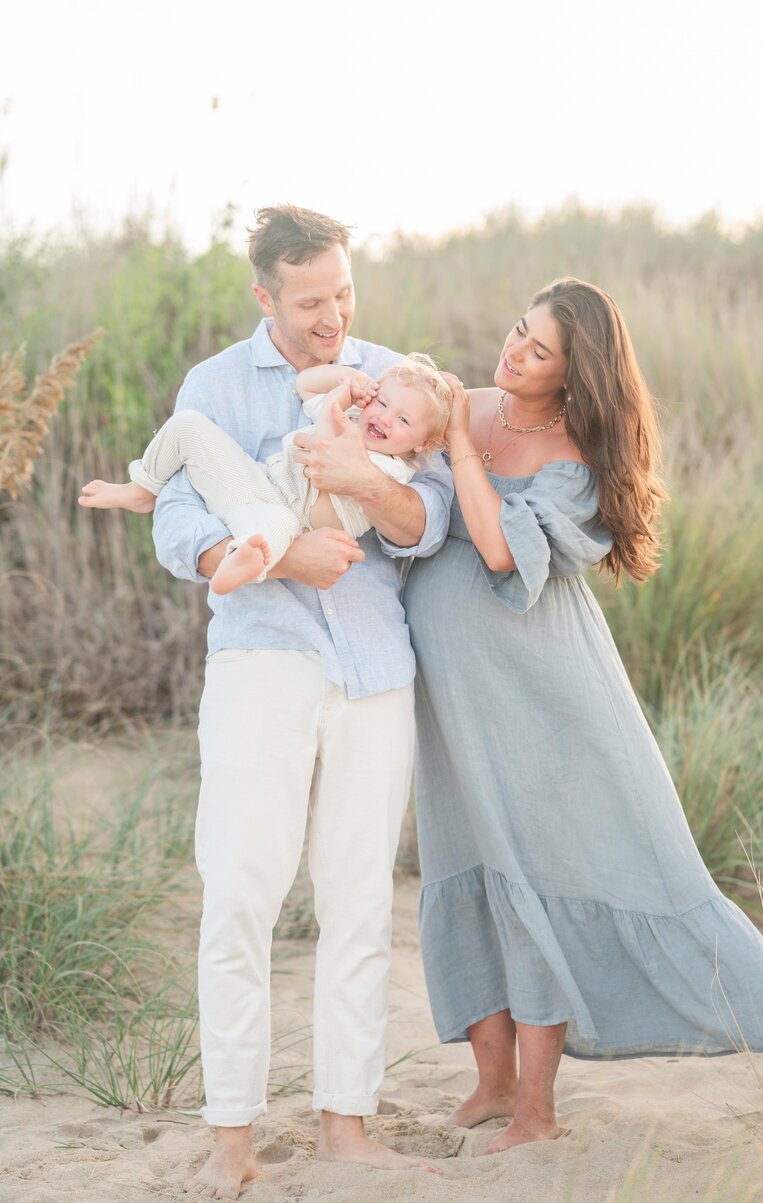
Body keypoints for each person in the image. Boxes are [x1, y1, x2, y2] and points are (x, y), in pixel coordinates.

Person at [402, 277, 763, 1155]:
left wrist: (459, 443)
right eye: (515, 333)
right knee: (463, 857)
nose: (513, 354)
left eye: (538, 352)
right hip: (451, 694)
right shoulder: (464, 399)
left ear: (577, 377)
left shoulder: (573, 456)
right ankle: (492, 1082)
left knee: (534, 866)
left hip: (543, 699)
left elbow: (499, 547)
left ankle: (537, 1105)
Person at [148, 205, 452, 1199]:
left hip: (374, 672)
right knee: (239, 894)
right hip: (262, 665)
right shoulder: (215, 386)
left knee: (360, 904)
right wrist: (278, 555)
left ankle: (344, 1126)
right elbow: (180, 518)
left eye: (343, 295)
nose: (333, 319)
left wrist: (367, 479)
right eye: (310, 302)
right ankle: (231, 1136)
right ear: (265, 296)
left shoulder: (386, 373)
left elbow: (427, 515)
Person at [78, 355, 451, 596]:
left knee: (268, 529)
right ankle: (144, 487)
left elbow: (323, 443)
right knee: (188, 425)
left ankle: (239, 563)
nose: (384, 418)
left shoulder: (392, 469)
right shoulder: (355, 415)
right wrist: (347, 378)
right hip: (259, 483)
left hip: (292, 520)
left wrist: (339, 399)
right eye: (382, 402)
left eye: (403, 419)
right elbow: (305, 383)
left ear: (422, 444)